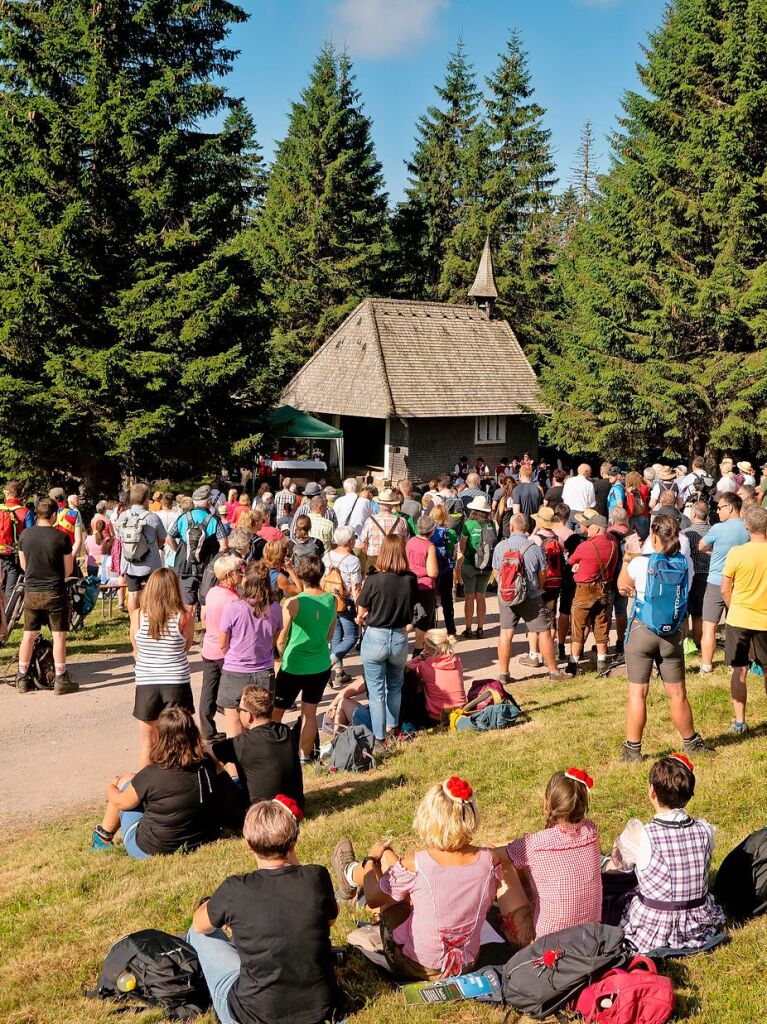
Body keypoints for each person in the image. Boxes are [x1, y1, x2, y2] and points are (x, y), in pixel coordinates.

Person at [332, 777, 530, 978]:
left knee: (388, 860)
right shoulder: (489, 859)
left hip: (416, 966)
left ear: (428, 817)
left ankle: (351, 874)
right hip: (466, 963)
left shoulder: (416, 863)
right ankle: (352, 880)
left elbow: (375, 897)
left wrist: (370, 860)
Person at [189, 798, 342, 1024]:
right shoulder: (316, 877)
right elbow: (330, 918)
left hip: (253, 1015)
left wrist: (211, 904)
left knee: (197, 934)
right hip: (321, 1011)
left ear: (249, 846)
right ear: (293, 843)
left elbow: (200, 924)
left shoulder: (235, 890)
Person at [617, 516, 711, 762]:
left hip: (642, 631)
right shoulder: (685, 564)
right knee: (677, 693)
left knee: (638, 693)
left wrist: (629, 556)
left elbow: (621, 586)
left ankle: (633, 750)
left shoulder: (640, 563)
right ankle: (691, 741)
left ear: (654, 537)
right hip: (672, 633)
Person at [609, 755, 725, 953]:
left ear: (652, 792)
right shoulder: (705, 830)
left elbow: (621, 865)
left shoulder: (641, 834)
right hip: (696, 923)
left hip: (654, 924)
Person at [91, 707, 221, 857]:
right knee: (135, 782)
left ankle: (102, 838)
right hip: (199, 840)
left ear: (161, 738)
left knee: (126, 783)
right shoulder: (206, 765)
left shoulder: (151, 774)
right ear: (193, 733)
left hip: (151, 848)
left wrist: (111, 787)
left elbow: (121, 803)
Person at [495, 769, 602, 938]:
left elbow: (492, 854)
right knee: (521, 860)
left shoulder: (535, 844)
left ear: (546, 804)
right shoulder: (591, 831)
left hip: (547, 946)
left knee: (501, 864)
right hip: (589, 937)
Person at [355, 535, 418, 748]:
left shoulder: (373, 579)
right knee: (395, 686)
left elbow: (361, 610)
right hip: (399, 637)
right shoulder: (410, 579)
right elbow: (415, 609)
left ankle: (380, 738)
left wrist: (361, 617)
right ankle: (393, 728)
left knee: (376, 690)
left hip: (376, 635)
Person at [273, 556, 336, 761]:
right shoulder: (331, 600)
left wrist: (283, 656)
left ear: (301, 575)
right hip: (319, 664)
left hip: (294, 665)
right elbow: (329, 635)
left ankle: (273, 753)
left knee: (277, 713)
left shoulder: (293, 602)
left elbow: (281, 638)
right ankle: (304, 755)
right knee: (309, 713)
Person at [131, 567, 195, 766]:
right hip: (176, 682)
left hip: (146, 683)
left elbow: (136, 648)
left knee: (147, 744)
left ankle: (143, 791)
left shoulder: (138, 615)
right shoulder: (184, 616)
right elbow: (187, 646)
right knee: (180, 741)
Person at [16, 497, 77, 695]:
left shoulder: (25, 535)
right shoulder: (61, 538)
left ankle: (22, 676)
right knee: (58, 635)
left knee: (28, 634)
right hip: (54, 591)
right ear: (54, 515)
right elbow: (68, 570)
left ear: (37, 513)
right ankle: (60, 678)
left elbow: (24, 566)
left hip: (32, 591)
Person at [494, 513, 565, 683]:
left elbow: (496, 572)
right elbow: (542, 573)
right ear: (527, 528)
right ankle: (554, 672)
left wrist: (504, 587)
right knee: (543, 632)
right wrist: (538, 587)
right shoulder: (533, 547)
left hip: (506, 596)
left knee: (505, 633)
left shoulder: (500, 546)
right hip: (530, 596)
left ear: (511, 527)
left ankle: (504, 674)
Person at [211, 685, 303, 812]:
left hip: (259, 813)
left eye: (239, 709)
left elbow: (207, 752)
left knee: (217, 765)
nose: (238, 712)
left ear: (249, 716)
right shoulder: (285, 731)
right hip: (292, 806)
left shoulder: (240, 743)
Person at [218, 562, 282, 737]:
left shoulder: (234, 607)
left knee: (233, 722)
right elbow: (273, 640)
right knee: (260, 723)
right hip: (263, 670)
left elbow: (223, 642)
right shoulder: (276, 608)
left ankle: (235, 762)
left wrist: (231, 657)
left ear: (247, 581)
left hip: (235, 670)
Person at [721, 505, 767, 734]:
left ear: (747, 526)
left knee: (739, 669)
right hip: (765, 619)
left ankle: (739, 721)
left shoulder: (737, 553)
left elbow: (725, 589)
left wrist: (735, 607)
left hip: (739, 617)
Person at [698, 492, 748, 674]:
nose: (717, 511)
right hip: (740, 582)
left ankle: (706, 666)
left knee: (709, 626)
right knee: (736, 625)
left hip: (716, 581)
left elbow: (701, 546)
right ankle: (736, 664)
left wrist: (716, 549)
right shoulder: (747, 528)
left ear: (729, 507)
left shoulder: (718, 529)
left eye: (719, 508)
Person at [567, 510, 619, 674]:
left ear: (596, 529)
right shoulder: (613, 545)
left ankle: (573, 663)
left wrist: (578, 566)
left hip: (584, 589)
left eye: (589, 526)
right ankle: (602, 662)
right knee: (601, 625)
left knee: (578, 626)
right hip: (603, 587)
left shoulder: (586, 545)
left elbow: (571, 560)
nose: (586, 529)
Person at [199, 554, 242, 741]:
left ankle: (207, 730)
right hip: (226, 650)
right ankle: (237, 726)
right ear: (229, 574)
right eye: (239, 571)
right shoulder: (232, 598)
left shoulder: (212, 592)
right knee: (233, 692)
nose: (241, 574)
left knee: (208, 689)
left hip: (209, 647)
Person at [166, 485, 228, 611]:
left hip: (185, 565)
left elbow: (169, 538)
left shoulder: (184, 517)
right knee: (206, 599)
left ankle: (187, 624)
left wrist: (180, 550)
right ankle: (204, 625)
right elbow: (224, 546)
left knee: (187, 602)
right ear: (209, 502)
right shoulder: (214, 520)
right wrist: (215, 561)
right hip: (207, 566)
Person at [115, 483, 167, 612]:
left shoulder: (123, 516)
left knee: (133, 593)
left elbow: (120, 537)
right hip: (150, 563)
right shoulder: (152, 518)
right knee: (153, 593)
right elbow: (162, 539)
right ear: (145, 499)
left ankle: (134, 621)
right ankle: (151, 618)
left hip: (129, 561)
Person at [322, 525, 363, 688]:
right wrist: (359, 608)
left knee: (336, 636)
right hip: (344, 602)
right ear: (349, 541)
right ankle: (328, 665)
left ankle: (338, 672)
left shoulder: (327, 556)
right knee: (352, 636)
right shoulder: (353, 561)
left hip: (329, 600)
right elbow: (356, 587)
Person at [406, 629, 467, 722]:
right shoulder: (456, 660)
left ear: (429, 647)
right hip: (460, 711)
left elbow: (406, 666)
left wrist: (420, 657)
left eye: (424, 643)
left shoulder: (425, 665)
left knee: (411, 678)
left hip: (436, 715)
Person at [459, 495, 496, 639]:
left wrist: (468, 556)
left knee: (469, 597)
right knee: (481, 596)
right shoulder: (491, 524)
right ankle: (480, 628)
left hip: (470, 564)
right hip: (486, 566)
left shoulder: (468, 525)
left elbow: (462, 546)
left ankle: (468, 629)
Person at [406, 516, 439, 654]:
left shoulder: (410, 542)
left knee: (412, 616)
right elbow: (433, 572)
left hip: (410, 583)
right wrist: (422, 570)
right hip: (425, 586)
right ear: (432, 530)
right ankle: (419, 649)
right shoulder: (429, 546)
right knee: (424, 619)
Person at [682, 502, 711, 649]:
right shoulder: (714, 531)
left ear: (693, 514)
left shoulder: (686, 533)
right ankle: (700, 642)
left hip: (693, 576)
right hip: (711, 575)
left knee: (689, 613)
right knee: (704, 614)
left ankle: (691, 643)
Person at [358, 488, 408, 570]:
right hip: (395, 561)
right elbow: (405, 543)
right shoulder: (401, 521)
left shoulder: (370, 521)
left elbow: (363, 545)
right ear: (392, 505)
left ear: (378, 504)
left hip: (374, 560)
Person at [0, 481, 34, 597]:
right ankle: (9, 612)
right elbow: (30, 536)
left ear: (6, 493)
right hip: (14, 554)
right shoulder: (26, 512)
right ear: (20, 495)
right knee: (12, 589)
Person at [430, 504, 458, 638]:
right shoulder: (451, 533)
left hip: (432, 569)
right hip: (447, 570)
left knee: (431, 600)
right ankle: (451, 630)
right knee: (447, 601)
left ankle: (430, 629)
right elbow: (455, 552)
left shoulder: (429, 533)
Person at [625, 470, 650, 541]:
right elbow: (647, 484)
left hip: (630, 515)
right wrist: (642, 478)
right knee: (644, 538)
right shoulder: (644, 489)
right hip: (643, 514)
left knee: (629, 538)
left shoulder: (626, 490)